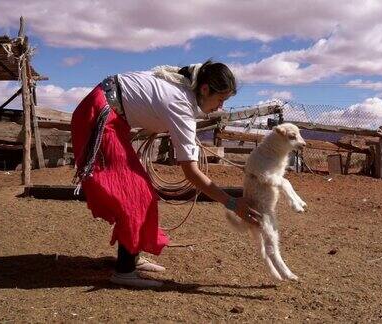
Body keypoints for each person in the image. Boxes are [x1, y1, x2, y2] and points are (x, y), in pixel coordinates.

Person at [71, 60, 261, 288]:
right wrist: (232, 203)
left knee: (141, 192)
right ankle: (124, 270)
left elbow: (148, 103)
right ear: (204, 89)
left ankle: (132, 257)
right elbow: (191, 172)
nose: (220, 107)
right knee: (136, 194)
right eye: (220, 100)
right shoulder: (181, 104)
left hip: (107, 111)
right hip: (99, 116)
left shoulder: (179, 85)